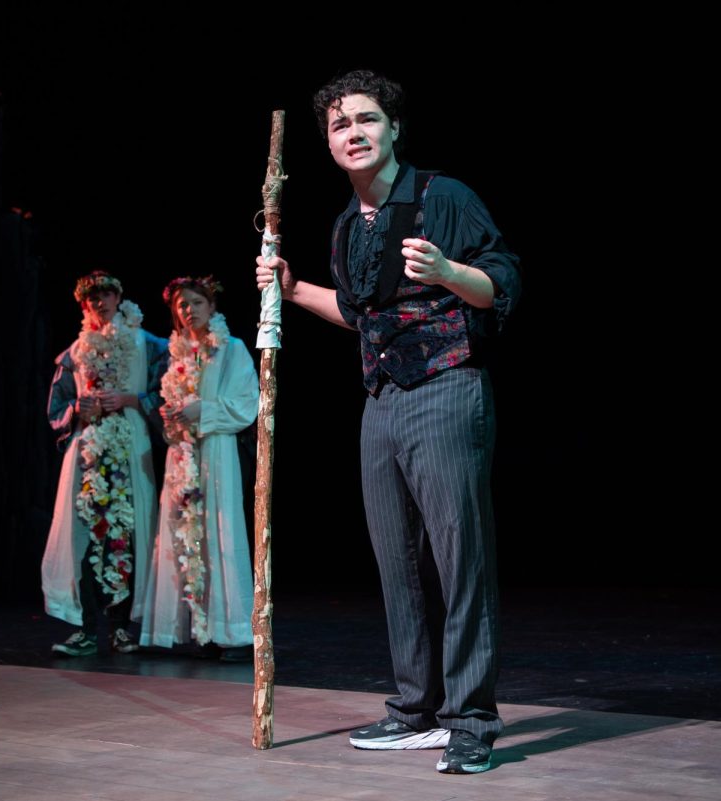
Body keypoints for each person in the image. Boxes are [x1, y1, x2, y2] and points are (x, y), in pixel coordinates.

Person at [255, 69, 521, 774]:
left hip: (446, 387)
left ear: (394, 128)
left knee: (459, 559)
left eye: (367, 120)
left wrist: (446, 270)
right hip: (382, 401)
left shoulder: (442, 195)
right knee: (397, 562)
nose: (354, 133)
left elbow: (501, 284)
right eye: (341, 126)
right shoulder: (347, 225)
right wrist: (295, 288)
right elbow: (361, 312)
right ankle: (416, 710)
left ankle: (471, 720)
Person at [41, 271, 168, 656]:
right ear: (84, 306)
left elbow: (170, 390)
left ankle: (121, 627)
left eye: (106, 295)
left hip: (131, 449)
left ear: (118, 298)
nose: (99, 303)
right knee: (86, 533)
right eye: (91, 299)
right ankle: (86, 629)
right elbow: (56, 407)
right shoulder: (75, 352)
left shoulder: (146, 344)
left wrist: (134, 400)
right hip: (87, 455)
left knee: (128, 534)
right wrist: (78, 409)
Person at [138, 276, 259, 661]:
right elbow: (170, 400)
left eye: (195, 303)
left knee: (219, 534)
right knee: (183, 536)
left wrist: (201, 410)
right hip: (183, 453)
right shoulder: (178, 356)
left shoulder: (232, 349)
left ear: (211, 306)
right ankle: (195, 628)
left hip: (217, 450)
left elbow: (246, 405)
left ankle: (232, 632)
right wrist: (171, 415)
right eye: (181, 306)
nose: (188, 311)